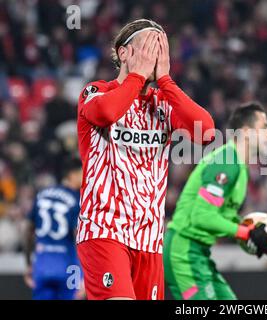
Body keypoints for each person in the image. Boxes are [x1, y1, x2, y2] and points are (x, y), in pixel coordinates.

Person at [75, 19, 214, 300]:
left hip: (150, 239)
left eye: (161, 49)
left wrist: (166, 81)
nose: (155, 55)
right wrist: (137, 76)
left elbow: (206, 131)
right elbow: (105, 114)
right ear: (123, 53)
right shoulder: (96, 91)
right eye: (149, 46)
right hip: (105, 229)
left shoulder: (163, 102)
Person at [164, 102, 267, 300]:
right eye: (264, 128)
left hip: (199, 252)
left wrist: (254, 235)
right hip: (183, 251)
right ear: (246, 132)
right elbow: (201, 216)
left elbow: (222, 216)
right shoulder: (226, 161)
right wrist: (245, 232)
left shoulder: (240, 168)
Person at [24, 158, 85, 300]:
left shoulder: (42, 194)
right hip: (69, 268)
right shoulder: (77, 198)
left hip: (42, 265)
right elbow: (78, 235)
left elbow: (27, 231)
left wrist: (29, 263)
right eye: (83, 172)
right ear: (72, 174)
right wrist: (84, 273)